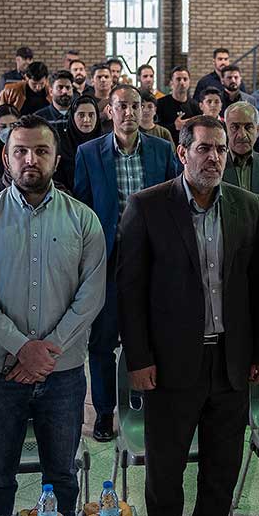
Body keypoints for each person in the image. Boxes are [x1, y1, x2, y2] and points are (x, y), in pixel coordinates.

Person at [117, 115, 259, 516]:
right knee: (165, 469)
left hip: (230, 360)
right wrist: (139, 359)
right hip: (169, 363)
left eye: (220, 149)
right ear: (182, 153)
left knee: (222, 466)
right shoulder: (148, 206)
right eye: (204, 148)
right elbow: (129, 290)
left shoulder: (247, 206)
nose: (215, 157)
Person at [0, 114, 107, 516]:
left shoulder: (83, 220)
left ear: (57, 159)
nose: (30, 159)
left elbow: (91, 295)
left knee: (62, 478)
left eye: (41, 151)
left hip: (64, 374)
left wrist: (46, 352)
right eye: (20, 151)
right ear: (6, 158)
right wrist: (22, 348)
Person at [74, 84, 179, 441]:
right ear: (110, 111)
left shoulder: (162, 150)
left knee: (150, 335)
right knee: (102, 341)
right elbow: (83, 210)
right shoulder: (89, 153)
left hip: (151, 258)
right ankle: (105, 412)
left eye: (136, 106)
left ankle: (144, 403)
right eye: (122, 106)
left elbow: (173, 202)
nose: (130, 112)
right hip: (108, 258)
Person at [156, 66, 199, 145]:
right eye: (178, 79)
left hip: (188, 147)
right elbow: (154, 127)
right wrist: (174, 126)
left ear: (189, 82)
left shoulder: (195, 106)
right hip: (166, 146)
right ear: (171, 83)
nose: (182, 82)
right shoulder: (160, 104)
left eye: (185, 79)